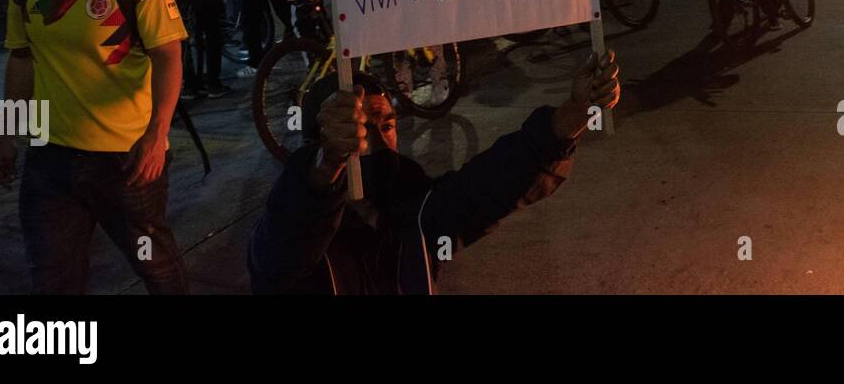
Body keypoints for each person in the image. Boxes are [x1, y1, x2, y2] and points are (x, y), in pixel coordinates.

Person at [248, 50, 619, 293]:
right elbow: (278, 262)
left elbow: (488, 186)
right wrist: (324, 166)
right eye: (361, 124)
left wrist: (573, 114)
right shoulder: (291, 219)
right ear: (323, 135)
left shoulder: (413, 206)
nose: (379, 138)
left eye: (388, 124)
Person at [0, 0, 190, 294]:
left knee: (157, 271)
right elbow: (21, 60)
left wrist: (156, 136)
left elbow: (168, 56)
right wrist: (6, 136)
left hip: (127, 162)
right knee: (53, 279)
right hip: (49, 161)